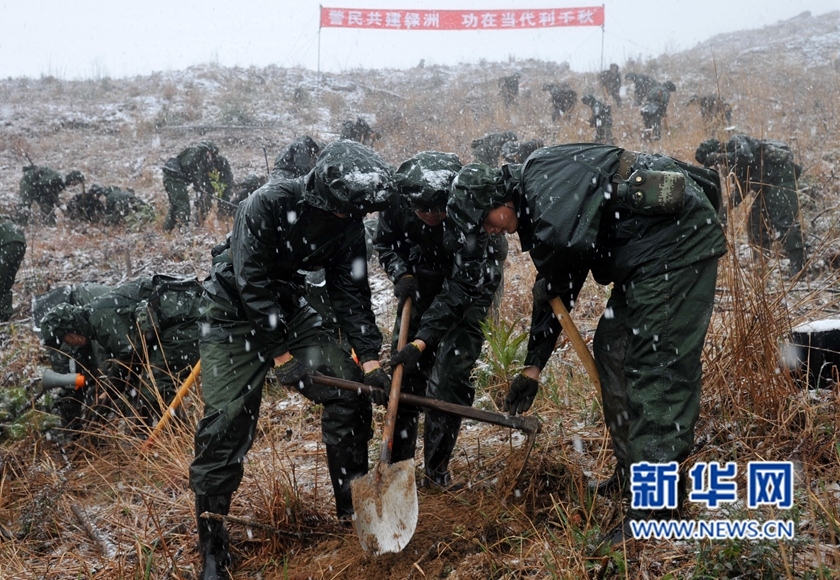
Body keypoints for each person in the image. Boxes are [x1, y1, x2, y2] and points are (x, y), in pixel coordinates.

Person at [446, 143, 727, 546]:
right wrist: (533, 367)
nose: (487, 231)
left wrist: (550, 280)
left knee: (657, 369)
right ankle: (633, 474)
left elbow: (564, 255)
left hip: (675, 246)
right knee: (613, 349)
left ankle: (657, 511)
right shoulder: (537, 196)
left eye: (483, 221)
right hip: (645, 253)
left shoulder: (541, 184)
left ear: (498, 199)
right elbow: (560, 273)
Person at [188, 140, 397, 579]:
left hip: (286, 304)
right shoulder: (266, 204)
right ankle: (213, 546)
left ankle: (352, 508)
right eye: (345, 212)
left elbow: (352, 294)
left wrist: (373, 362)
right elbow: (251, 281)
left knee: (349, 388)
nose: (350, 220)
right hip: (233, 312)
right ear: (325, 196)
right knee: (226, 423)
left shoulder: (350, 224)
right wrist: (281, 356)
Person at [376, 153, 505, 490]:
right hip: (420, 279)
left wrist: (425, 340)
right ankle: (398, 471)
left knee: (450, 375)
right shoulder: (397, 202)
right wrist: (399, 272)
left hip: (472, 283)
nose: (432, 215)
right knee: (404, 373)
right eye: (424, 210)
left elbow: (462, 289)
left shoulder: (471, 212)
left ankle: (436, 472)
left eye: (439, 209)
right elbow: (386, 244)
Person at [39, 274, 203, 429]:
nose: (72, 344)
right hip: (181, 317)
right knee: (147, 388)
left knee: (152, 388)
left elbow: (131, 356)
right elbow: (130, 357)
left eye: (68, 340)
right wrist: (108, 392)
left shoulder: (99, 321)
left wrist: (108, 392)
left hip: (185, 319)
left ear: (71, 330)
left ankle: (179, 439)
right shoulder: (95, 318)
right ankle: (167, 436)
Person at [695, 136, 805, 275]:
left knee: (785, 222)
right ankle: (761, 262)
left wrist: (720, 156)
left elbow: (746, 157)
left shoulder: (736, 142)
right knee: (755, 223)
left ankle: (798, 265)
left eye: (712, 161)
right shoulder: (730, 162)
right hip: (765, 184)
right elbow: (743, 187)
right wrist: (724, 210)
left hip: (780, 178)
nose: (715, 165)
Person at [162, 141, 234, 231]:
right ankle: (182, 231)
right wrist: (199, 187)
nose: (211, 159)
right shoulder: (196, 154)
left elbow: (225, 181)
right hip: (173, 177)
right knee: (182, 206)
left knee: (176, 205)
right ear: (208, 151)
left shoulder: (216, 161)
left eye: (213, 156)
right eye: (210, 154)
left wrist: (222, 200)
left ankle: (167, 231)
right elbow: (193, 173)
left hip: (178, 177)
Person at [17, 166, 85, 225]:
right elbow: (42, 182)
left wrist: (56, 202)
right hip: (29, 181)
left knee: (48, 208)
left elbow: (53, 191)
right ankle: (20, 225)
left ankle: (50, 226)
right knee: (24, 205)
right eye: (77, 181)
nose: (76, 184)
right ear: (73, 179)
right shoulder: (59, 178)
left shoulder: (64, 182)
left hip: (41, 189)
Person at [0, 215, 26, 322]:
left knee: (2, 283)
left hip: (6, 243)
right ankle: (4, 316)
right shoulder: (5, 222)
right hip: (20, 241)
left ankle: (3, 317)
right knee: (6, 283)